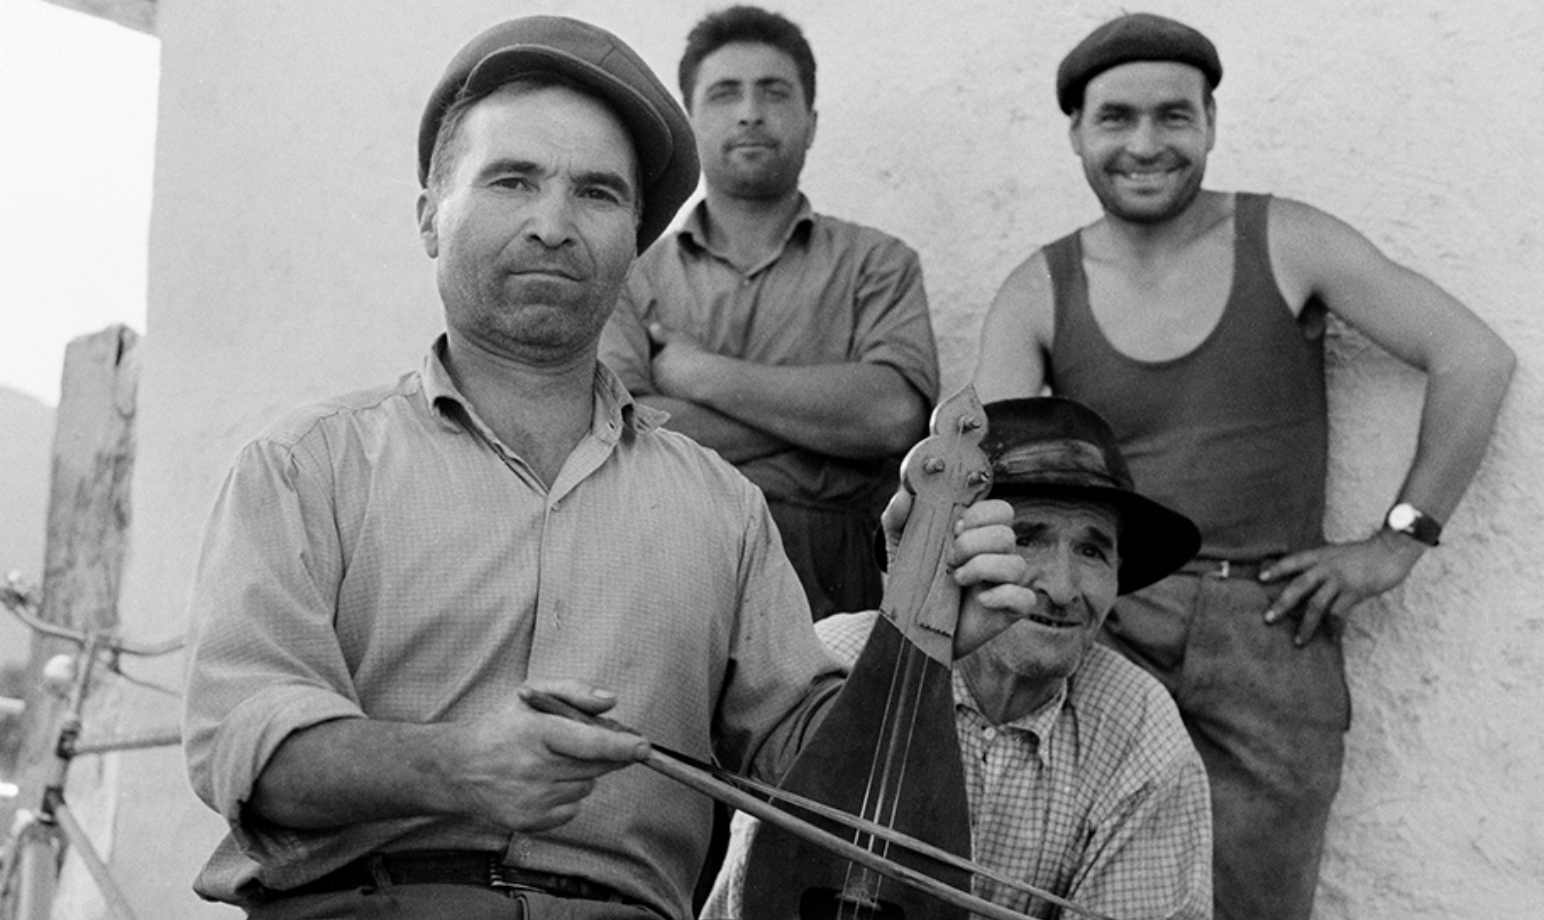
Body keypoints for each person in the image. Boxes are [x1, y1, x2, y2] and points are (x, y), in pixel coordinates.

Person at [181, 16, 1024, 920]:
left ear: (632, 241)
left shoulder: (723, 507)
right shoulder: (305, 468)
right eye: (512, 181)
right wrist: (458, 766)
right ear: (429, 216)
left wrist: (918, 637)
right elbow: (246, 746)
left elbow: (810, 775)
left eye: (596, 193)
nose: (553, 225)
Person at [972, 13, 1517, 920]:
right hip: (1107, 625)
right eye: (1116, 119)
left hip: (1273, 627)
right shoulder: (1038, 286)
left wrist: (1396, 543)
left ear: (1211, 122)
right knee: (1059, 889)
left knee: (1258, 904)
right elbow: (986, 474)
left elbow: (1473, 357)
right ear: (1076, 132)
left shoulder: (1288, 239)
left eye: (1173, 116)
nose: (1146, 144)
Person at [702, 396, 1213, 920]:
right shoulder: (840, 660)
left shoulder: (1139, 727)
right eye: (1028, 539)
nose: (1062, 588)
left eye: (1092, 550)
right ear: (960, 547)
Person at [598, 6, 938, 621]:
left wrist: (698, 374)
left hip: (838, 575)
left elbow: (891, 418)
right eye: (725, 94)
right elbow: (618, 433)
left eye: (774, 92)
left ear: (810, 124)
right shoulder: (630, 270)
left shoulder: (877, 263)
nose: (750, 112)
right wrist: (826, 434)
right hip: (665, 561)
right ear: (690, 121)